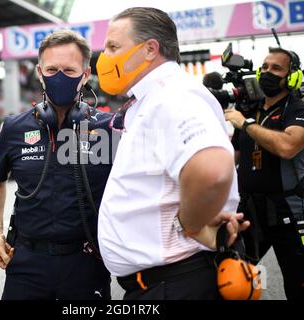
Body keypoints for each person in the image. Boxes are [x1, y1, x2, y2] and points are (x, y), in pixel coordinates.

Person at [96, 7, 248, 300]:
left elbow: (212, 169)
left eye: (113, 47)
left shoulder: (172, 95)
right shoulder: (151, 98)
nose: (105, 56)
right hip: (166, 282)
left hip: (176, 283)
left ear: (150, 49)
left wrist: (189, 225)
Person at [0, 30, 114, 300]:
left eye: (69, 69)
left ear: (86, 74)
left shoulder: (107, 129)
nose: (59, 77)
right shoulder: (14, 127)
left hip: (87, 263)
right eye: (52, 70)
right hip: (26, 262)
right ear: (40, 73)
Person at [225, 48, 304, 299]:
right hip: (250, 212)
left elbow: (287, 147)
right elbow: (230, 158)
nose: (267, 73)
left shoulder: (301, 111)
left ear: (292, 77)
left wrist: (245, 124)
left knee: (300, 291)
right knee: (233, 284)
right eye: (264, 67)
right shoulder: (251, 111)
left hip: (290, 213)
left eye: (276, 68)